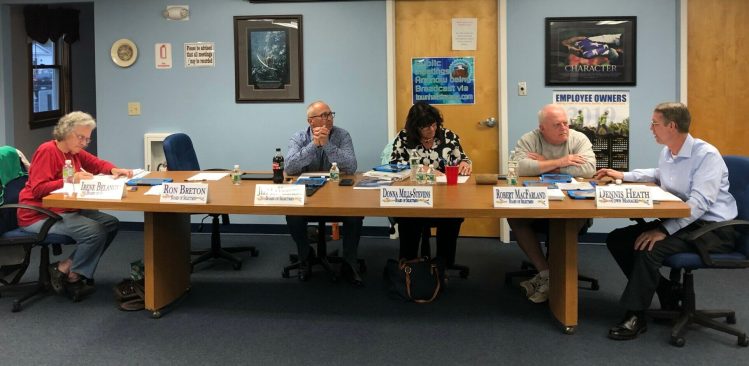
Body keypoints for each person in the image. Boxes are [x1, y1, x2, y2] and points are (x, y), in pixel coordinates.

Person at [595, 102, 738, 341]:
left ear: (672, 126)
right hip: (685, 221)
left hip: (713, 229)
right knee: (618, 239)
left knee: (649, 248)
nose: (651, 128)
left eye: (655, 123)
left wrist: (663, 229)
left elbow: (698, 204)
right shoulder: (669, 151)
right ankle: (666, 289)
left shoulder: (706, 156)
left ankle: (635, 315)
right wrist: (623, 175)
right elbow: (659, 173)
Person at [18, 111, 132, 300]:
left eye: (87, 139)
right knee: (95, 231)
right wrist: (72, 179)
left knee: (110, 223)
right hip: (38, 214)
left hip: (63, 209)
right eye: (81, 138)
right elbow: (38, 189)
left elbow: (96, 163)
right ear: (66, 132)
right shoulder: (47, 151)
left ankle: (65, 268)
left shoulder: (73, 153)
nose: (84, 143)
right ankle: (73, 277)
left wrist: (113, 169)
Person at [508, 104, 596, 303]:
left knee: (571, 218)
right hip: (538, 204)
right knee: (514, 217)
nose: (564, 128)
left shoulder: (578, 139)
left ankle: (553, 277)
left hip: (574, 205)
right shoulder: (529, 139)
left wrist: (544, 163)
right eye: (557, 125)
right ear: (542, 129)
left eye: (566, 123)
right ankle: (547, 273)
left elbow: (589, 169)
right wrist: (562, 161)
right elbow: (520, 167)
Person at [284, 100, 364, 285]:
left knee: (355, 215)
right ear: (311, 121)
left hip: (339, 195)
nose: (329, 118)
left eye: (330, 114)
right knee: (292, 214)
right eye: (324, 115)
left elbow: (351, 167)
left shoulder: (342, 135)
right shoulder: (298, 137)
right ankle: (305, 256)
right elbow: (290, 167)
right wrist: (314, 145)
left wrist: (327, 144)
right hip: (307, 194)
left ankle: (349, 262)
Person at [390, 102, 472, 266]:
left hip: (445, 198)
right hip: (414, 197)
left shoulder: (448, 136)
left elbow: (463, 157)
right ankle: (409, 265)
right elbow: (395, 166)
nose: (432, 130)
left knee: (452, 218)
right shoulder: (403, 138)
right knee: (408, 219)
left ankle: (443, 265)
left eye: (434, 124)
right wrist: (424, 169)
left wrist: (465, 163)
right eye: (426, 127)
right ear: (415, 127)